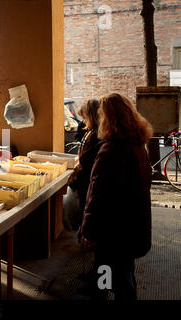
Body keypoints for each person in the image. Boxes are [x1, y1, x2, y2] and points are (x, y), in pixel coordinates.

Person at [80, 93, 153, 300]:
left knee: (107, 277)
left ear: (108, 118)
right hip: (132, 227)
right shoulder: (137, 145)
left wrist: (88, 230)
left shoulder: (110, 151)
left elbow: (97, 196)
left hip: (111, 232)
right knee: (125, 277)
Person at [64, 99, 102, 232]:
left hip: (88, 183)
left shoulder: (96, 135)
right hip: (87, 182)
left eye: (85, 118)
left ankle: (85, 236)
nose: (83, 122)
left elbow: (88, 162)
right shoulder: (91, 132)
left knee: (86, 215)